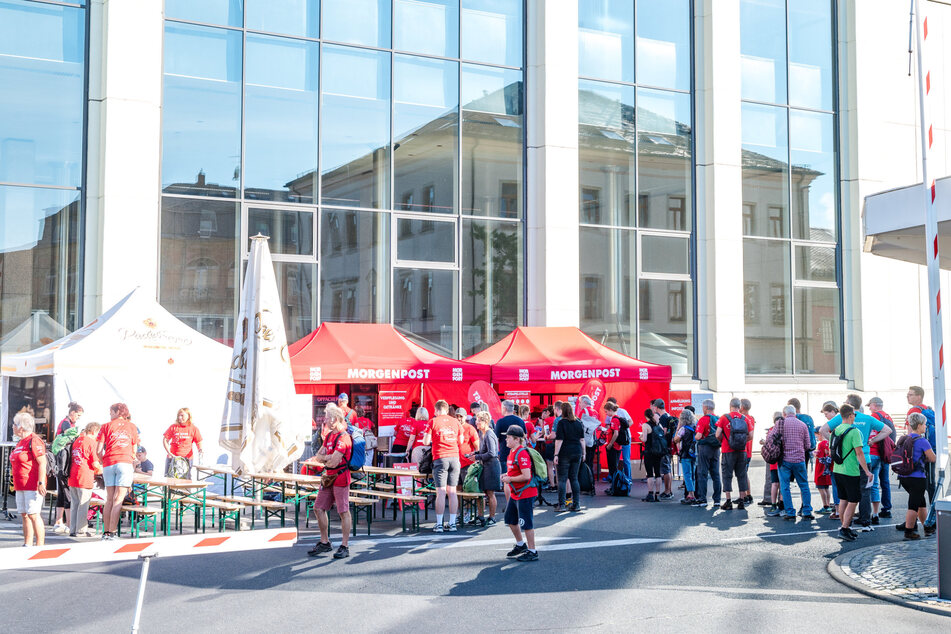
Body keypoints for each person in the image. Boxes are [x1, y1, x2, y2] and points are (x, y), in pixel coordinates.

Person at [819, 394, 888, 531]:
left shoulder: (841, 417)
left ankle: (845, 524)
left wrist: (835, 444)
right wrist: (872, 441)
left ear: (849, 404)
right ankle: (865, 521)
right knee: (865, 491)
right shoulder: (868, 418)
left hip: (845, 462)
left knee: (845, 495)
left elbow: (822, 430)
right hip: (865, 458)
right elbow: (887, 430)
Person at [307, 404, 352, 559]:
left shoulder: (344, 437)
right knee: (318, 508)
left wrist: (326, 458)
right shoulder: (330, 435)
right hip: (328, 477)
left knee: (343, 511)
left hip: (340, 477)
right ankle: (325, 542)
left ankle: (345, 546)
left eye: (327, 416)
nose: (324, 419)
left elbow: (332, 462)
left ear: (335, 418)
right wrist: (328, 457)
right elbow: (318, 456)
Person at [830, 404, 874, 541]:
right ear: (850, 415)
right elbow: (859, 453)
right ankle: (844, 528)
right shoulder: (853, 431)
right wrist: (867, 471)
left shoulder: (835, 430)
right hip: (851, 471)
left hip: (838, 469)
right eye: (854, 415)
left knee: (843, 499)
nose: (854, 417)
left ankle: (845, 527)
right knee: (853, 500)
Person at [97, 403, 139, 540]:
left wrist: (104, 461)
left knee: (109, 499)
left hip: (109, 463)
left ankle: (106, 533)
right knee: (118, 499)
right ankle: (113, 533)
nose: (110, 415)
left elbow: (98, 451)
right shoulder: (132, 426)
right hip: (124, 462)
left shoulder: (105, 426)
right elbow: (134, 450)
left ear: (116, 412)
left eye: (111, 412)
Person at [765, 406, 814, 521]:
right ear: (795, 413)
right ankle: (806, 511)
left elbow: (770, 439)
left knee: (785, 487)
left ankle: (790, 512)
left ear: (784, 413)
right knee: (804, 485)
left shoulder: (780, 424)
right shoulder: (802, 425)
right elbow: (808, 445)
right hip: (799, 460)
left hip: (785, 460)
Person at [501, 426, 538, 562]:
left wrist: (509, 479)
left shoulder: (521, 453)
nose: (506, 439)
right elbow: (515, 471)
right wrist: (507, 475)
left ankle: (533, 551)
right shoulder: (512, 452)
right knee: (510, 519)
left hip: (525, 493)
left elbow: (526, 475)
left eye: (508, 437)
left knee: (526, 523)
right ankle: (521, 545)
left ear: (516, 439)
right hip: (516, 493)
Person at [898, 412, 937, 540]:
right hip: (917, 477)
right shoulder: (922, 441)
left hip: (903, 477)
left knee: (921, 503)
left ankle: (927, 527)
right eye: (925, 424)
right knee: (914, 505)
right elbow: (932, 458)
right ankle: (909, 532)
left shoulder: (904, 439)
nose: (925, 427)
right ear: (919, 425)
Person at [11, 413, 47, 547]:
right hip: (20, 485)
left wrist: (41, 482)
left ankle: (40, 545)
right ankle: (27, 543)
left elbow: (42, 462)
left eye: (15, 424)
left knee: (33, 514)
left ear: (21, 427)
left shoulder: (34, 440)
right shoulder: (20, 442)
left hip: (32, 484)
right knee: (24, 514)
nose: (13, 427)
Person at [426, 400, 463, 532]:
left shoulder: (433, 421)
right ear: (447, 410)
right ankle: (452, 523)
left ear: (436, 410)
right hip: (455, 457)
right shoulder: (456, 422)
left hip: (440, 457)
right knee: (452, 492)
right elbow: (461, 441)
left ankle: (439, 524)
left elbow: (425, 441)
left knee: (441, 492)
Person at [51, 401, 83, 534]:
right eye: (78, 415)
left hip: (60, 463)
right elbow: (69, 437)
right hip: (63, 463)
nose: (79, 418)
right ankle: (69, 523)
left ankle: (59, 521)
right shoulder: (66, 423)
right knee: (66, 492)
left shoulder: (67, 422)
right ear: (72, 413)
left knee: (62, 492)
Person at [716, 398, 752, 510]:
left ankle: (728, 501)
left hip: (727, 451)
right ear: (740, 406)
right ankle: (741, 500)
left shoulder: (724, 418)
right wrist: (741, 442)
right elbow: (750, 436)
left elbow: (717, 434)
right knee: (742, 475)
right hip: (742, 451)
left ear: (730, 405)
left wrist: (725, 442)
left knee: (727, 475)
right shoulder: (745, 418)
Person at [68, 422, 101, 537]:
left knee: (75, 504)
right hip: (85, 476)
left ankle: (72, 529)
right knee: (83, 504)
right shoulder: (91, 442)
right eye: (98, 433)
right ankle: (81, 530)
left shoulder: (78, 440)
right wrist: (102, 471)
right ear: (94, 431)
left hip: (73, 475)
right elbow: (95, 463)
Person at [468, 411, 501, 525]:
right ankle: (480, 516)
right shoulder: (482, 433)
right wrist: (475, 453)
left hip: (491, 466)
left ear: (485, 421)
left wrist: (477, 456)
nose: (476, 422)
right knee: (480, 491)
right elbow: (485, 450)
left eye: (478, 420)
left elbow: (492, 453)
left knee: (490, 493)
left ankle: (492, 517)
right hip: (485, 466)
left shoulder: (489, 433)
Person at [905, 386, 937, 503]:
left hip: (917, 451)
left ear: (919, 396)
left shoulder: (913, 411)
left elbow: (910, 435)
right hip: (929, 448)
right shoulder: (928, 409)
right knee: (930, 482)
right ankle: (933, 511)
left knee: (915, 483)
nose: (907, 397)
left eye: (910, 394)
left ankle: (917, 514)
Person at [554, 402, 585, 512]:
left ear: (562, 411)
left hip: (564, 453)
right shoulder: (578, 422)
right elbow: (582, 440)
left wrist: (556, 454)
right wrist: (584, 453)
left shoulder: (562, 423)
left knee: (562, 479)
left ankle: (561, 505)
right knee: (574, 478)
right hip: (577, 452)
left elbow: (559, 440)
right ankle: (576, 504)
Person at [495, 400, 526, 498]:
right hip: (520, 453)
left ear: (504, 408)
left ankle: (510, 503)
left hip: (505, 454)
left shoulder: (500, 422)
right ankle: (518, 499)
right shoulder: (520, 420)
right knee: (520, 478)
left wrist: (497, 453)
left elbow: (496, 440)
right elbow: (525, 437)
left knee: (507, 479)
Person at [693, 399, 721, 508]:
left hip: (704, 448)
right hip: (716, 448)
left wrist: (695, 437)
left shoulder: (703, 420)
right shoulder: (719, 419)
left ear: (705, 408)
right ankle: (717, 500)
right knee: (716, 475)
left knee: (702, 473)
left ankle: (702, 499)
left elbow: (699, 436)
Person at [162, 407, 203, 478]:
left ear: (188, 416)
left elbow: (198, 441)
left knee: (185, 480)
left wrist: (200, 449)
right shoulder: (173, 427)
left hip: (186, 459)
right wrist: (169, 452)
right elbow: (165, 439)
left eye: (182, 416)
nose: (180, 418)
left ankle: (185, 488)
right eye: (178, 416)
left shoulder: (193, 428)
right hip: (173, 458)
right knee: (169, 479)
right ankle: (170, 489)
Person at [820, 402, 842, 520]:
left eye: (826, 414)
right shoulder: (844, 422)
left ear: (833, 412)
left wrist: (833, 443)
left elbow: (824, 431)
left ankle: (838, 511)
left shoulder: (835, 425)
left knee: (836, 485)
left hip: (837, 459)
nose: (826, 417)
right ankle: (844, 509)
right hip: (845, 458)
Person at [604, 402, 631, 492]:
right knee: (614, 467)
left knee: (613, 467)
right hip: (617, 446)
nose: (606, 414)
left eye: (606, 411)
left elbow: (616, 433)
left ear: (611, 410)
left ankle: (614, 487)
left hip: (614, 446)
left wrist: (610, 444)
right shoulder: (617, 418)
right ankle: (614, 486)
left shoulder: (614, 420)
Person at [640, 408, 665, 502]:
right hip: (658, 452)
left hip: (649, 452)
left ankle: (650, 494)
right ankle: (657, 494)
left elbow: (645, 439)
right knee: (658, 473)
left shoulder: (645, 425)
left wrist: (640, 437)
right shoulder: (659, 425)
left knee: (650, 474)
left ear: (646, 416)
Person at [652, 400, 676, 500]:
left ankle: (667, 491)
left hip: (663, 446)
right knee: (668, 469)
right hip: (668, 446)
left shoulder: (662, 417)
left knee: (665, 469)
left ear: (656, 407)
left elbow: (664, 431)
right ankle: (669, 490)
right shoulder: (668, 415)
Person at [674, 409, 697, 504]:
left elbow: (676, 440)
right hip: (694, 454)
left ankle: (691, 495)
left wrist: (677, 428)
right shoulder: (695, 427)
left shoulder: (683, 429)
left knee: (687, 475)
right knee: (693, 475)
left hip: (685, 454)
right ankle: (693, 493)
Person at [738, 399, 757, 505]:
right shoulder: (751, 418)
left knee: (743, 474)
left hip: (744, 450)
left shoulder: (744, 419)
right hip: (748, 451)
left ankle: (747, 495)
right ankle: (746, 494)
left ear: (741, 407)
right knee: (744, 474)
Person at [814, 432, 834, 514]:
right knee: (826, 488)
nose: (817, 436)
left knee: (821, 488)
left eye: (817, 434)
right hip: (828, 469)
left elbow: (818, 455)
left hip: (821, 469)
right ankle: (828, 504)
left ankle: (825, 505)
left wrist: (814, 453)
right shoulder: (829, 442)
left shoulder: (821, 444)